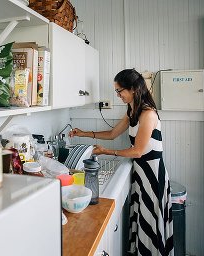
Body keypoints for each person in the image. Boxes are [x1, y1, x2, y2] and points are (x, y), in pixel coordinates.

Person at [69, 69, 172, 255]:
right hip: (141, 171)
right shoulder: (132, 110)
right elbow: (112, 134)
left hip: (152, 174)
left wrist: (106, 151)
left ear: (132, 89)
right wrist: (83, 133)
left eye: (119, 91)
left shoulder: (148, 113)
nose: (118, 95)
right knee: (143, 219)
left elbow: (138, 151)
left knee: (150, 219)